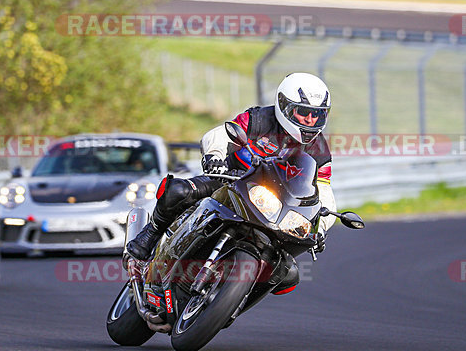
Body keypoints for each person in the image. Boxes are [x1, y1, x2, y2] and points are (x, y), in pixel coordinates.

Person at [124, 72, 337, 295]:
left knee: (287, 275)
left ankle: (234, 300)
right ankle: (148, 237)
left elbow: (323, 190)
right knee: (178, 191)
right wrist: (214, 157)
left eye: (317, 114)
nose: (310, 120)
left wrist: (320, 226)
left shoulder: (319, 150)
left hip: (277, 207)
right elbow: (220, 134)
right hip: (231, 180)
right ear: (284, 106)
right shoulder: (259, 119)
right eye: (303, 112)